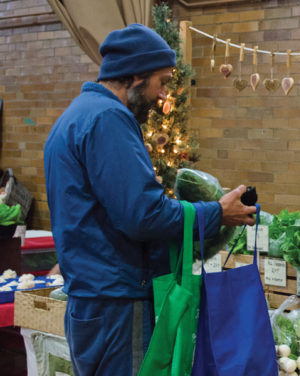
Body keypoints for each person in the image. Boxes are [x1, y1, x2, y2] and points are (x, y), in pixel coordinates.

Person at [43, 24, 256, 376]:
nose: (163, 95)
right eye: (163, 81)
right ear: (137, 75)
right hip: (117, 303)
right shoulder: (108, 118)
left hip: (91, 301)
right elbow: (143, 216)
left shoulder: (76, 115)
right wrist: (217, 212)